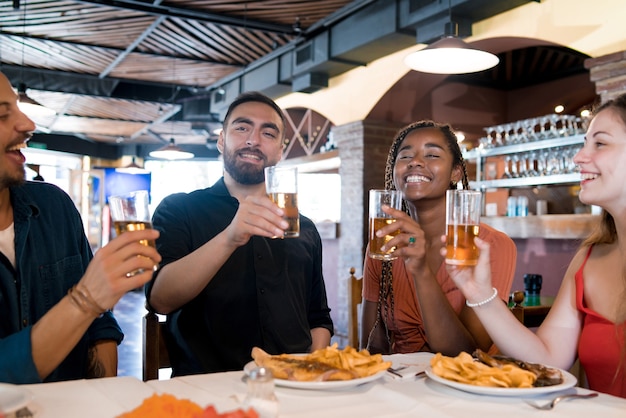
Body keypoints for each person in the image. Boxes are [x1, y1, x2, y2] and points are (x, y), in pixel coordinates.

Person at [446, 95, 626, 398]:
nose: (579, 157)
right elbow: (547, 359)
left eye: (600, 143)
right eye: (584, 143)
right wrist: (481, 295)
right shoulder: (589, 259)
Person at [146, 91, 333, 375]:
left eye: (268, 133)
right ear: (222, 140)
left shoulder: (303, 227)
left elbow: (318, 317)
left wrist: (312, 368)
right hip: (207, 389)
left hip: (293, 389)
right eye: (242, 128)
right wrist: (230, 236)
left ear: (280, 151)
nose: (253, 140)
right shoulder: (180, 209)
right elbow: (160, 299)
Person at [0, 71, 161, 384]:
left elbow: (100, 327)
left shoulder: (54, 206)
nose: (28, 124)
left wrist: (100, 399)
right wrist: (84, 299)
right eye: (2, 114)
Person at [360, 120, 516, 356]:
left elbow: (465, 354)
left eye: (432, 154)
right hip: (400, 384)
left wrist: (421, 270)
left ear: (456, 172)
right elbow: (370, 349)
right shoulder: (384, 243)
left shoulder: (489, 245)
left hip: (466, 386)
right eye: (405, 157)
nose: (415, 162)